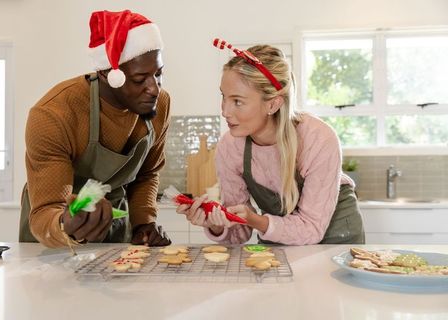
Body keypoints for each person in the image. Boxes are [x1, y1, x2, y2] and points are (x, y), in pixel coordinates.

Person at [176, 39, 365, 245]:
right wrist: (216, 223)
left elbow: (311, 228)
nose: (225, 111)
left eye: (237, 101)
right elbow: (239, 232)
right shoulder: (230, 147)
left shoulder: (318, 139)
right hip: (278, 234)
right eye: (224, 97)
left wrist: (257, 220)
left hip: (335, 237)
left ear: (273, 104)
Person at [20, 9, 172, 248]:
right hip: (54, 234)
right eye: (140, 79)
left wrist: (144, 224)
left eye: (159, 74)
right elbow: (47, 210)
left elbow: (147, 174)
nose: (154, 88)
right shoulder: (53, 114)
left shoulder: (160, 105)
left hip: (115, 222)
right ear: (107, 74)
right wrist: (66, 225)